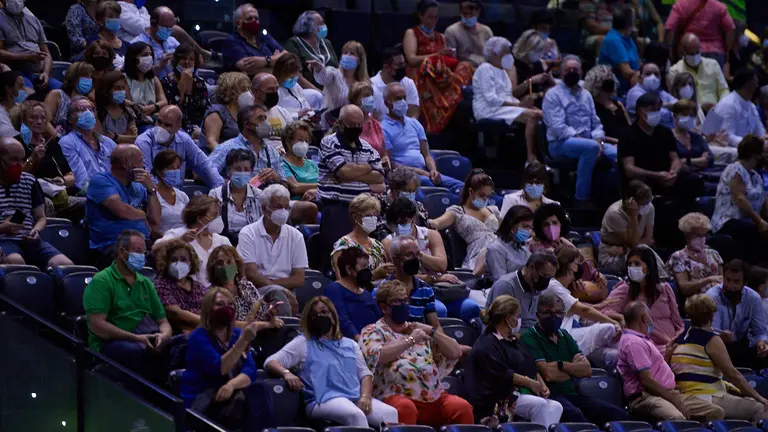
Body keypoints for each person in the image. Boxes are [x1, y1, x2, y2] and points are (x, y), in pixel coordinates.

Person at [266, 296, 398, 427]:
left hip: (354, 396)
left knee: (390, 413)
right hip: (322, 400)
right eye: (314, 315)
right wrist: (286, 373)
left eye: (324, 312)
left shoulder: (350, 344)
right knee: (356, 415)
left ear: (333, 317)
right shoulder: (303, 342)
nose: (320, 316)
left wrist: (365, 397)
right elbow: (271, 361)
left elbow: (365, 374)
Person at [360, 280, 471, 427]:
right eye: (398, 301)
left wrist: (431, 331)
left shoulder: (418, 329)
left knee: (462, 408)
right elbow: (378, 355)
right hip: (395, 396)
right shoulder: (373, 331)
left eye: (406, 300)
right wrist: (411, 339)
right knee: (405, 408)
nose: (404, 304)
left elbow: (455, 352)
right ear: (384, 308)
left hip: (434, 397)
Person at [521, 292, 631, 424]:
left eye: (558, 313)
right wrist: (573, 371)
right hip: (551, 397)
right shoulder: (530, 337)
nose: (553, 317)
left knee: (620, 415)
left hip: (573, 395)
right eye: (548, 313)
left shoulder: (564, 335)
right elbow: (548, 374)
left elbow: (587, 371)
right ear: (538, 315)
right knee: (578, 418)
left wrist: (561, 365)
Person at [181, 287, 275, 428]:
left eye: (230, 304)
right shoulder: (198, 337)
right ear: (209, 309)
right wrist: (244, 341)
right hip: (203, 398)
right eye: (220, 304)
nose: (226, 308)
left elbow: (250, 370)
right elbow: (219, 368)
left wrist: (231, 385)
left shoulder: (236, 334)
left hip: (230, 393)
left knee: (259, 390)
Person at [465, 294, 563, 427]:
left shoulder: (513, 341)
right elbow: (502, 374)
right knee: (539, 405)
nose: (519, 320)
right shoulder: (487, 343)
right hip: (493, 399)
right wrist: (531, 383)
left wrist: (541, 384)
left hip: (513, 394)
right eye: (517, 316)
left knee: (556, 406)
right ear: (508, 319)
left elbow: (530, 365)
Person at [83, 229, 172, 376]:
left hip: (147, 335)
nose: (142, 257)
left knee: (186, 343)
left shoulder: (146, 283)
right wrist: (137, 338)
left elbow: (163, 321)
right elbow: (97, 326)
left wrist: (164, 335)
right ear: (122, 253)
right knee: (140, 352)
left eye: (144, 252)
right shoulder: (101, 281)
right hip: (114, 342)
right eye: (138, 251)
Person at [617, 301, 724, 421]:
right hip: (646, 397)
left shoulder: (643, 340)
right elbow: (646, 381)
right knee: (677, 418)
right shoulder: (634, 342)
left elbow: (655, 371)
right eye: (650, 317)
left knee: (715, 412)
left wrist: (667, 356)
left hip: (668, 393)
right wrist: (675, 401)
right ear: (644, 318)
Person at [672, 294, 768, 420]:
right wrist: (760, 398)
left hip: (686, 397)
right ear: (711, 315)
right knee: (760, 408)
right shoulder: (712, 340)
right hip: (706, 397)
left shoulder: (680, 338)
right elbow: (732, 374)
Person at [317, 105, 385, 264]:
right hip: (336, 207)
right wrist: (368, 168)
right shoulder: (329, 142)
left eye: (358, 125)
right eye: (351, 125)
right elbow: (343, 172)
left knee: (362, 257)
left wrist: (351, 173)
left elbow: (379, 177)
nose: (355, 128)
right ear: (340, 123)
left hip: (362, 209)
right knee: (338, 257)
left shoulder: (368, 148)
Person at [543, 55, 615, 204]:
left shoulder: (586, 95)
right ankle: (581, 198)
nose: (572, 72)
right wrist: (589, 142)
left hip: (590, 141)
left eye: (575, 69)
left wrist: (599, 140)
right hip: (560, 143)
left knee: (618, 153)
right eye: (568, 69)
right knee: (590, 148)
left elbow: (596, 123)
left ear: (581, 72)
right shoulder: (553, 95)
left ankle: (611, 196)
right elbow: (558, 128)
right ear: (561, 73)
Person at [543, 246, 622, 369]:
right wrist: (613, 321)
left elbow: (581, 316)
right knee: (610, 328)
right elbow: (584, 310)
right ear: (569, 265)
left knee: (615, 356)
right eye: (577, 263)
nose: (580, 266)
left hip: (577, 339)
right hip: (563, 339)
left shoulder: (565, 288)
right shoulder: (553, 286)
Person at [0, 137, 72, 267]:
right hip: (3, 240)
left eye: (22, 160)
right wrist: (3, 228)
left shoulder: (30, 181)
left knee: (64, 264)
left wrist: (36, 230)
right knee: (16, 261)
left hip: (31, 241)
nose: (19, 165)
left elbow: (41, 218)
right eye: (14, 160)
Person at [403, 0, 473, 133]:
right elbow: (411, 59)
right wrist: (436, 55)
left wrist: (447, 57)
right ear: (421, 16)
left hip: (440, 74)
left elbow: (445, 60)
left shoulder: (441, 36)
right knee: (426, 71)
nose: (433, 21)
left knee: (465, 66)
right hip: (421, 73)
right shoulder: (412, 33)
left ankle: (455, 99)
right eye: (429, 17)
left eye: (436, 17)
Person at [599, 246, 684, 354]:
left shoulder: (665, 288)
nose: (632, 267)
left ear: (649, 267)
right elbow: (603, 311)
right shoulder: (625, 289)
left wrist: (675, 341)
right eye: (629, 264)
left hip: (672, 345)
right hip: (647, 347)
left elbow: (678, 323)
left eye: (637, 264)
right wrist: (620, 317)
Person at [620, 92, 704, 200]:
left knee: (694, 181)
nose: (656, 113)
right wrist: (656, 175)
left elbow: (675, 159)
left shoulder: (665, 132)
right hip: (644, 179)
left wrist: (673, 172)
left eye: (658, 109)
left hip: (667, 177)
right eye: (652, 110)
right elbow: (629, 169)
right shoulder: (627, 135)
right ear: (640, 111)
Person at [473, 36, 543, 165]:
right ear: (495, 53)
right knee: (532, 116)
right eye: (506, 52)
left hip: (501, 107)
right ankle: (531, 159)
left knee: (539, 113)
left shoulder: (502, 71)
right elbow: (491, 98)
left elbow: (507, 95)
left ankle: (540, 156)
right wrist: (519, 105)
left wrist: (522, 104)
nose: (510, 55)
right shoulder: (485, 69)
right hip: (488, 109)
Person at [383, 82, 464, 192]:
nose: (402, 102)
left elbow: (427, 155)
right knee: (427, 182)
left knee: (461, 186)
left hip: (425, 172)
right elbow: (389, 163)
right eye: (398, 99)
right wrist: (421, 172)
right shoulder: (383, 127)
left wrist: (433, 170)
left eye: (404, 98)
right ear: (387, 103)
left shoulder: (415, 123)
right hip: (402, 175)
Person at [86, 144, 160, 261]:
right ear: (126, 164)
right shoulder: (100, 180)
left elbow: (155, 219)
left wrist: (151, 190)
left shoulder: (139, 186)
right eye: (140, 161)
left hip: (143, 243)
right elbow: (122, 211)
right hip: (112, 245)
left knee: (171, 252)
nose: (143, 166)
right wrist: (143, 215)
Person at [236, 184, 308, 300]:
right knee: (277, 295)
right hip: (256, 292)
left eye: (286, 207)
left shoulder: (296, 236)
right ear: (264, 208)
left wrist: (278, 288)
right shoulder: (248, 233)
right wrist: (278, 288)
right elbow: (251, 274)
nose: (283, 211)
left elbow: (299, 278)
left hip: (286, 294)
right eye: (278, 207)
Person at [12, 101, 79, 217]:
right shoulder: (15, 144)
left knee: (87, 203)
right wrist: (33, 157)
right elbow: (15, 177)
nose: (39, 122)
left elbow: (71, 176)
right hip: (29, 195)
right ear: (22, 120)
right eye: (33, 117)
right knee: (46, 204)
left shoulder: (52, 145)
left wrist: (62, 180)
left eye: (43, 118)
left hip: (56, 193)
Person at [429, 169, 500, 274]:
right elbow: (437, 223)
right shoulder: (457, 212)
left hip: (498, 250)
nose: (485, 199)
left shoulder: (493, 210)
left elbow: (506, 231)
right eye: (482, 195)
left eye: (488, 196)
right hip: (478, 253)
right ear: (471, 191)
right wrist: (427, 221)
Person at [711, 136, 768, 264]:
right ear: (755, 155)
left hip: (751, 221)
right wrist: (759, 221)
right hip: (728, 221)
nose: (765, 156)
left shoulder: (756, 176)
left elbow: (763, 201)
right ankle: (750, 270)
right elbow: (740, 198)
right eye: (763, 153)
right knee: (751, 229)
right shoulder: (734, 169)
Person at [154, 195, 232, 287]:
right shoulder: (178, 234)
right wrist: (181, 240)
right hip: (189, 293)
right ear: (199, 218)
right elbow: (155, 248)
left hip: (219, 294)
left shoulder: (222, 240)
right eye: (214, 215)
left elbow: (232, 270)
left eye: (219, 214)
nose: (218, 218)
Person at [137, 105, 223, 188]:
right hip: (153, 194)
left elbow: (204, 165)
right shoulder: (144, 142)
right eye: (159, 122)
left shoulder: (184, 140)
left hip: (178, 195)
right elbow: (146, 176)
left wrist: (220, 189)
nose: (161, 127)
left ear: (178, 127)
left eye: (167, 125)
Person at [207, 104, 290, 190]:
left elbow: (285, 188)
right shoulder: (227, 147)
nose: (265, 123)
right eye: (260, 118)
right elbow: (203, 174)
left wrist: (277, 179)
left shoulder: (272, 152)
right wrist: (232, 184)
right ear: (247, 124)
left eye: (265, 118)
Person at [382, 197, 459, 287]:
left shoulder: (431, 235)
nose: (400, 226)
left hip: (439, 285)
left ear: (413, 218)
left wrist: (417, 254)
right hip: (406, 287)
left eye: (404, 222)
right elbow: (401, 275)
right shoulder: (388, 242)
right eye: (396, 223)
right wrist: (433, 279)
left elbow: (441, 266)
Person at [706, 259, 768, 370]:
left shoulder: (753, 298)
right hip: (717, 346)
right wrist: (720, 337)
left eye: (736, 282)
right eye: (728, 280)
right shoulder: (711, 297)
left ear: (745, 283)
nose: (730, 286)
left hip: (741, 344)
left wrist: (762, 342)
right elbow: (709, 332)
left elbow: (760, 331)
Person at [207, 244, 292, 322]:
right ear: (214, 269)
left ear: (237, 265)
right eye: (220, 263)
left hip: (260, 331)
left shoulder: (247, 286)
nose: (225, 266)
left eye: (229, 262)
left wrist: (270, 314)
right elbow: (224, 324)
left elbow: (261, 314)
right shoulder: (212, 294)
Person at [485, 250, 558, 333]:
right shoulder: (506, 286)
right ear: (531, 267)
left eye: (550, 277)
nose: (546, 280)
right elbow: (499, 327)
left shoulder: (537, 286)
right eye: (545, 275)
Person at [59, 96, 117, 191]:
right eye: (81, 110)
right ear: (70, 118)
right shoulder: (67, 142)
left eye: (91, 109)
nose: (88, 113)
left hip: (115, 189)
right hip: (92, 193)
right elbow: (81, 181)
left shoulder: (108, 142)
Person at [598, 180, 656, 274]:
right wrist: (633, 217)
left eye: (649, 202)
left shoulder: (649, 208)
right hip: (611, 255)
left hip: (633, 250)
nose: (647, 206)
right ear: (630, 202)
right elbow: (633, 242)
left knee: (646, 256)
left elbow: (648, 238)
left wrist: (625, 249)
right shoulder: (615, 213)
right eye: (643, 204)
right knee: (645, 260)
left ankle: (662, 281)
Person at [0, 0, 59, 91]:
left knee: (63, 93)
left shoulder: (33, 19)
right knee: (29, 96)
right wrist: (25, 57)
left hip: (40, 73)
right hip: (16, 73)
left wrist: (46, 73)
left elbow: (46, 53)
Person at [324, 247, 381, 341]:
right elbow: (343, 321)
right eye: (363, 267)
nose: (367, 271)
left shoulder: (366, 294)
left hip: (373, 342)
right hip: (349, 344)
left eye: (367, 267)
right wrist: (361, 342)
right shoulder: (334, 289)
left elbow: (380, 320)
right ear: (348, 269)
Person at [331, 193, 390, 280]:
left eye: (375, 215)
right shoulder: (343, 245)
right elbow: (342, 283)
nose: (373, 218)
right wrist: (372, 276)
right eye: (369, 215)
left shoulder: (378, 245)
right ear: (355, 217)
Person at [208, 149, 262, 243]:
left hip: (253, 244)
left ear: (251, 172)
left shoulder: (260, 196)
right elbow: (212, 229)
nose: (242, 173)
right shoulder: (216, 194)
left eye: (246, 169)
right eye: (237, 169)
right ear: (229, 171)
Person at [154, 239, 206, 333]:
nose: (178, 263)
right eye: (173, 260)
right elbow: (175, 313)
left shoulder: (199, 287)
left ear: (191, 262)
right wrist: (209, 324)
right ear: (166, 262)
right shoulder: (161, 285)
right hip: (180, 334)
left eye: (183, 259)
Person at [667, 213, 724, 299]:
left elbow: (722, 279)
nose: (702, 239)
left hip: (718, 298)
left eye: (704, 235)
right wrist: (708, 280)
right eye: (697, 236)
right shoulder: (678, 257)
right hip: (695, 303)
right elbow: (684, 288)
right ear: (687, 236)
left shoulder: (714, 254)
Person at [668, 33, 730, 112]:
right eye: (691, 54)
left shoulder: (713, 64)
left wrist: (721, 106)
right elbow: (675, 100)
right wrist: (700, 107)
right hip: (691, 114)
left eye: (697, 52)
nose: (694, 56)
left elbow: (724, 89)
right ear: (683, 51)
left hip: (716, 111)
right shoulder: (675, 71)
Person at [664, 0, 735, 68]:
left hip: (689, 52)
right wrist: (726, 50)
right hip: (715, 53)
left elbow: (669, 28)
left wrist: (669, 51)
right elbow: (730, 29)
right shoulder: (720, 7)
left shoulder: (681, 5)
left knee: (689, 79)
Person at [161, 43, 211, 138]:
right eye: (183, 58)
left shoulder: (199, 82)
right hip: (177, 127)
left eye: (191, 59)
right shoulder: (166, 82)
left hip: (199, 126)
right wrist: (182, 92)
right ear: (176, 61)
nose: (187, 62)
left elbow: (205, 109)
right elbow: (172, 114)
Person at [222, 3, 284, 77]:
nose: (254, 21)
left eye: (256, 18)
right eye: (249, 18)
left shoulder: (264, 37)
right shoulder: (232, 41)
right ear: (238, 23)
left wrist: (266, 60)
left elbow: (287, 56)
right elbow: (249, 69)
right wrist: (276, 63)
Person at [282, 10, 338, 89]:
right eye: (321, 23)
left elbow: (337, 68)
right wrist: (320, 93)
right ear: (309, 27)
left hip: (333, 90)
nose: (324, 26)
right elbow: (297, 76)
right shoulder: (294, 43)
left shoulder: (327, 43)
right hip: (310, 91)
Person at [308, 40, 368, 112]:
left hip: (353, 121)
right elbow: (322, 79)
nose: (347, 56)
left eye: (352, 53)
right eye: (345, 53)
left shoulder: (363, 82)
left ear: (359, 60)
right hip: (330, 121)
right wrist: (319, 69)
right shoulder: (333, 73)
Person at [712, 69, 765, 149]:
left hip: (748, 149)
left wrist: (763, 141)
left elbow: (760, 133)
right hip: (727, 148)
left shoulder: (751, 106)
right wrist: (753, 145)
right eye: (756, 83)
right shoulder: (727, 104)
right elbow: (726, 136)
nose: (757, 86)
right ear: (747, 84)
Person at [198, 71, 250, 152]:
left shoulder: (243, 114)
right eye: (243, 89)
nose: (247, 93)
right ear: (231, 91)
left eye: (248, 89)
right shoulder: (217, 112)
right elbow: (211, 143)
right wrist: (231, 157)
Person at [374, 167, 428, 240]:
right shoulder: (378, 204)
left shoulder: (418, 206)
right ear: (394, 189)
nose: (411, 194)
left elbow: (424, 231)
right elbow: (379, 233)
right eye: (407, 190)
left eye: (413, 191)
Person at [124, 41, 168, 130]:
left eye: (150, 54)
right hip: (136, 122)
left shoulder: (154, 79)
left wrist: (153, 107)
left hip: (154, 119)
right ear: (133, 58)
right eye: (144, 55)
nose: (148, 58)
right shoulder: (124, 79)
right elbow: (130, 105)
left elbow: (164, 101)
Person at [583, 65, 631, 145]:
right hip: (608, 143)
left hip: (626, 142)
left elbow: (629, 125)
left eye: (610, 77)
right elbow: (594, 132)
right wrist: (619, 142)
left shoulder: (618, 103)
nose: (609, 81)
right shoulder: (591, 106)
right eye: (604, 79)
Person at [598, 7, 640, 93]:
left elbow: (638, 63)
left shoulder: (627, 38)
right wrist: (645, 76)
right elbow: (626, 73)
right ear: (629, 23)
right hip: (618, 90)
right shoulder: (614, 40)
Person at [129, 6, 179, 79]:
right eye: (165, 27)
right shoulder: (136, 44)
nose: (168, 30)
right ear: (153, 24)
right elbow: (133, 75)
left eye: (170, 27)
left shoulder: (173, 41)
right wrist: (158, 66)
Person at [486, 205, 534, 281]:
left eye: (530, 227)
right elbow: (500, 282)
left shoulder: (525, 250)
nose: (528, 231)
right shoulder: (496, 248)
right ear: (511, 225)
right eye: (525, 226)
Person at [43, 62, 95, 131]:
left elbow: (93, 129)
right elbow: (45, 121)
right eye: (85, 76)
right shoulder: (56, 95)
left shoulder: (88, 103)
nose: (89, 79)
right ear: (74, 77)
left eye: (90, 76)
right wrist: (58, 138)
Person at [372, 45, 419, 119]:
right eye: (399, 65)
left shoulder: (409, 83)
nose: (403, 67)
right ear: (386, 67)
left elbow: (413, 113)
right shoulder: (371, 86)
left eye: (404, 64)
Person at [511, 29, 556, 107]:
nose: (539, 54)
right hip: (520, 104)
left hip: (540, 102)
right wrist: (530, 81)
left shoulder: (541, 63)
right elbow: (512, 94)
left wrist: (544, 92)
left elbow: (553, 86)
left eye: (541, 50)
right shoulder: (513, 64)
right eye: (536, 50)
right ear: (526, 48)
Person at [626, 62, 678, 129]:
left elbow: (679, 104)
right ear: (640, 77)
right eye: (648, 74)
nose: (653, 77)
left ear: (660, 78)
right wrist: (671, 107)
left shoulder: (660, 91)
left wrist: (665, 105)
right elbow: (664, 115)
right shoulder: (634, 93)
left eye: (656, 74)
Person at [444, 0, 493, 68]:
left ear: (478, 12)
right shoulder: (451, 31)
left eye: (471, 14)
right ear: (460, 13)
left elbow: (492, 57)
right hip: (463, 70)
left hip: (485, 70)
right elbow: (451, 60)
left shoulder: (486, 31)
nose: (467, 17)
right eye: (465, 14)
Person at [251, 73, 293, 150]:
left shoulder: (283, 112)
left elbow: (292, 138)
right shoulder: (248, 115)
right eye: (270, 89)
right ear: (255, 91)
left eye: (276, 88)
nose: (274, 92)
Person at [273, 52, 322, 116]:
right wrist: (296, 115)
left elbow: (304, 102)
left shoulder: (295, 85)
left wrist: (310, 112)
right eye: (291, 77)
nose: (293, 80)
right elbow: (276, 116)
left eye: (295, 77)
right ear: (280, 74)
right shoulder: (275, 92)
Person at [671, 99, 714, 173]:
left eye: (691, 116)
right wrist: (697, 160)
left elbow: (710, 158)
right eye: (684, 115)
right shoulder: (668, 137)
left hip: (703, 175)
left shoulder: (697, 137)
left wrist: (685, 161)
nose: (688, 118)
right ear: (675, 116)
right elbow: (672, 162)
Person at [96, 70, 138, 144]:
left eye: (123, 88)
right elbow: (101, 138)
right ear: (106, 91)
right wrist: (122, 137)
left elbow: (133, 137)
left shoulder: (128, 111)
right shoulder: (99, 112)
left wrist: (116, 137)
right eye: (117, 88)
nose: (121, 91)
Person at [152, 149, 189, 233]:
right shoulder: (152, 195)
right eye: (171, 168)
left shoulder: (182, 195)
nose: (176, 171)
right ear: (159, 171)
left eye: (178, 167)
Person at [280, 121, 317, 201]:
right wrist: (321, 187)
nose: (304, 144)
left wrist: (317, 191)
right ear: (288, 141)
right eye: (300, 140)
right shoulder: (282, 163)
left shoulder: (312, 164)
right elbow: (295, 187)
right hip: (298, 205)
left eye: (306, 141)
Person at [349, 81, 385, 156]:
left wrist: (385, 158)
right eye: (366, 95)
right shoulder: (350, 125)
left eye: (371, 95)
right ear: (355, 100)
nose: (370, 98)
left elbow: (384, 153)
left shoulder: (377, 125)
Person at [89, 1, 129, 69]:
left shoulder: (127, 45)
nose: (116, 19)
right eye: (111, 16)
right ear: (100, 21)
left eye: (117, 16)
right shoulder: (93, 42)